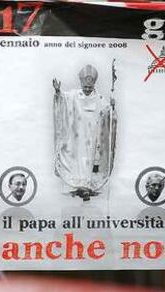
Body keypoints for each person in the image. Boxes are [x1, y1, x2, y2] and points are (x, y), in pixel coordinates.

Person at [53, 64, 117, 201]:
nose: (87, 89)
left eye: (90, 87)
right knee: (76, 157)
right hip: (77, 134)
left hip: (93, 136)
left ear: (94, 85)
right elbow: (63, 99)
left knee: (90, 159)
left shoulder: (99, 98)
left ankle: (88, 186)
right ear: (81, 84)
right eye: (85, 87)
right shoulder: (73, 95)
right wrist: (58, 92)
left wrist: (112, 106)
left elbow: (107, 112)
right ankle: (77, 185)